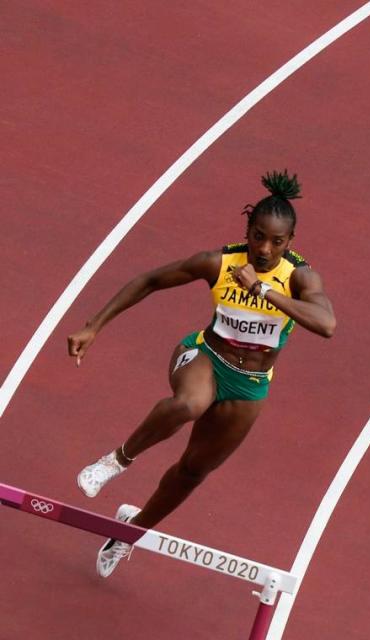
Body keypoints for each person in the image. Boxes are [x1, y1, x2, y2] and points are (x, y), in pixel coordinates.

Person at [68, 170, 336, 577]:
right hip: (204, 356)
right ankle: (116, 461)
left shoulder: (300, 278)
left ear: (290, 242)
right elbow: (150, 280)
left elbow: (326, 324)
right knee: (189, 404)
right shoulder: (219, 262)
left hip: (249, 386)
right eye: (258, 236)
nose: (264, 249)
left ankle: (129, 533)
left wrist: (263, 291)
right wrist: (93, 325)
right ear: (247, 230)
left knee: (193, 472)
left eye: (276, 242)